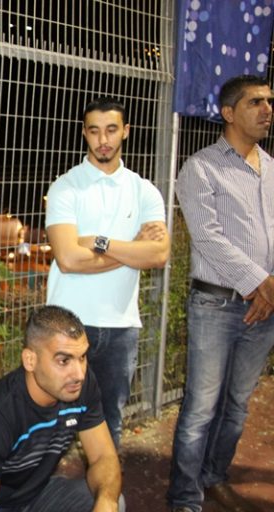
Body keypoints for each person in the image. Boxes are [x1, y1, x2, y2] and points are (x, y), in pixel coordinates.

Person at [167, 75, 274, 512]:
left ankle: (213, 477)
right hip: (216, 305)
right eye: (255, 102)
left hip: (265, 307)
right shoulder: (200, 168)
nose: (267, 110)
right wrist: (262, 282)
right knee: (201, 408)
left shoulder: (272, 169)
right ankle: (184, 498)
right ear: (228, 113)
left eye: (269, 101)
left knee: (237, 405)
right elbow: (208, 238)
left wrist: (268, 290)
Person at [44, 97, 170, 448]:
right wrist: (133, 250)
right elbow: (68, 259)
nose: (103, 140)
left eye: (111, 130)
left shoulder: (144, 191)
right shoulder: (65, 187)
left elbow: (159, 254)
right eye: (95, 131)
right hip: (66, 324)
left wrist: (100, 242)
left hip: (121, 327)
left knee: (109, 423)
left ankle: (106, 484)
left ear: (125, 131)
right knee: (55, 424)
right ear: (84, 133)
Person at [0, 305, 122, 512]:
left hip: (30, 496)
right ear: (30, 360)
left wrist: (106, 503)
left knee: (112, 500)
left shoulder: (80, 386)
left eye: (82, 357)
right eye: (63, 361)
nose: (78, 374)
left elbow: (103, 457)